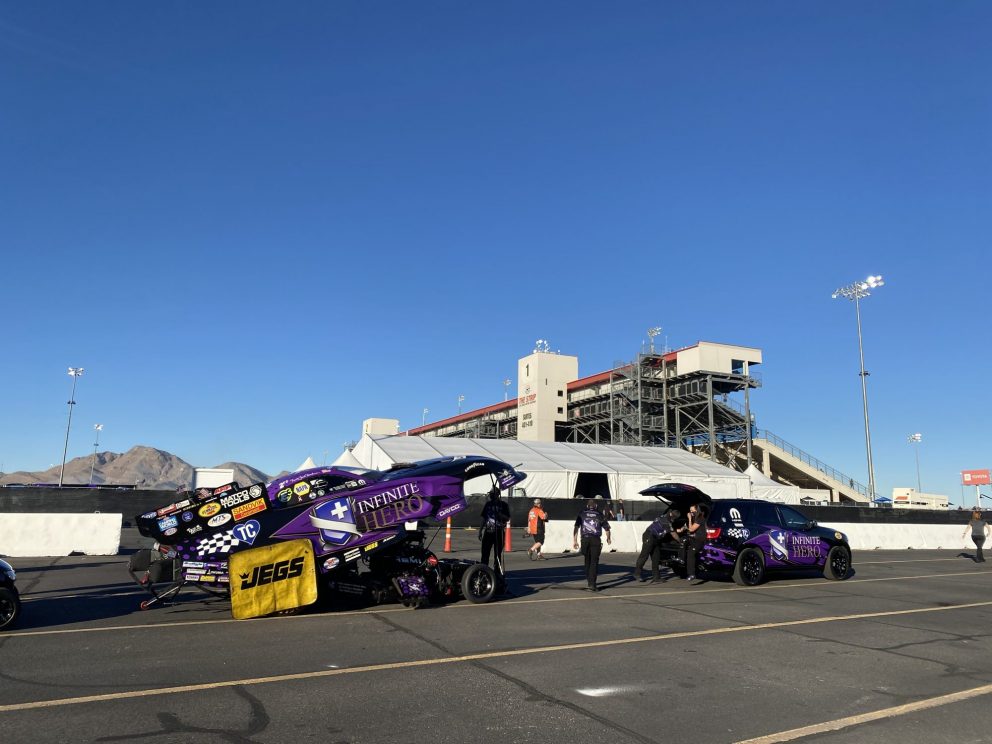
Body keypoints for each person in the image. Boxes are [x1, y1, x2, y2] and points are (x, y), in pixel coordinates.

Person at [573, 499, 612, 591]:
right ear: (596, 506)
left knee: (587, 560)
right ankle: (592, 584)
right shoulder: (599, 514)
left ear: (587, 506)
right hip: (595, 540)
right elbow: (607, 528)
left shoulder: (582, 513)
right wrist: (608, 538)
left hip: (585, 539)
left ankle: (589, 580)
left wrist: (575, 540)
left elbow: (576, 527)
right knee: (594, 562)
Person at [633, 508, 679, 582]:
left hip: (656, 538)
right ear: (672, 516)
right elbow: (673, 533)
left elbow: (670, 530)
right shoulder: (666, 521)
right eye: (674, 518)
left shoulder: (665, 516)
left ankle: (656, 577)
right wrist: (680, 541)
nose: (674, 520)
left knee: (656, 557)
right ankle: (637, 573)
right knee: (644, 555)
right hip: (649, 536)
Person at [479, 484, 511, 585]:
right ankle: (483, 572)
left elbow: (508, 518)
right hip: (488, 531)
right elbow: (484, 518)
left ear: (497, 495)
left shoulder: (503, 505)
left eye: (493, 494)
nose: (491, 496)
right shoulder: (488, 504)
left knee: (497, 555)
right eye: (490, 494)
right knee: (485, 553)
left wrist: (500, 515)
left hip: (499, 531)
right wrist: (480, 530)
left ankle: (497, 574)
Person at [683, 503, 709, 584]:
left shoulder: (699, 518)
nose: (691, 512)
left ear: (696, 510)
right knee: (683, 541)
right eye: (690, 511)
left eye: (692, 511)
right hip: (694, 538)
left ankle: (692, 574)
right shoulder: (696, 518)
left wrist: (689, 519)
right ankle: (681, 559)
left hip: (699, 540)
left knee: (691, 553)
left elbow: (691, 529)